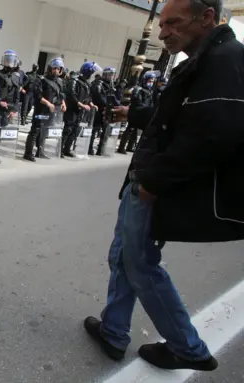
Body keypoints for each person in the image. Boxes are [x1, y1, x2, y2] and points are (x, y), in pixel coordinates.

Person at [84, 0, 244, 371]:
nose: (162, 32)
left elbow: (213, 134)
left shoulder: (225, 60)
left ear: (206, 18)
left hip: (152, 183)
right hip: (144, 178)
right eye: (161, 24)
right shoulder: (203, 59)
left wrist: (154, 182)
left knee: (141, 265)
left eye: (173, 22)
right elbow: (179, 120)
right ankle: (113, 330)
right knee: (123, 257)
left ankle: (188, 349)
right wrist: (136, 114)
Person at [23, 56, 67, 162]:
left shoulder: (60, 82)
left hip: (52, 112)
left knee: (45, 131)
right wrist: (48, 103)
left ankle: (40, 151)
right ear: (50, 68)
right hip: (41, 110)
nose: (56, 70)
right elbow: (38, 95)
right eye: (54, 68)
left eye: (58, 68)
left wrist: (63, 104)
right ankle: (28, 153)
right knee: (36, 130)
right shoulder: (42, 80)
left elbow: (61, 95)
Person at [61, 61, 99, 158]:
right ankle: (60, 149)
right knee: (68, 129)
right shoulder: (74, 81)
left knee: (75, 130)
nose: (91, 75)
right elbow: (72, 95)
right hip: (72, 109)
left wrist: (91, 104)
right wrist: (81, 105)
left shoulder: (87, 83)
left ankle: (67, 149)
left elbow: (88, 96)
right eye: (90, 73)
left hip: (80, 111)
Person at [117, 71, 157, 154]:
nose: (151, 83)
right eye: (149, 81)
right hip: (135, 112)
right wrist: (144, 108)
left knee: (136, 131)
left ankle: (130, 147)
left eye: (152, 82)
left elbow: (151, 103)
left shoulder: (150, 91)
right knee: (130, 129)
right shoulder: (138, 89)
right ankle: (121, 147)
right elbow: (137, 101)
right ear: (145, 80)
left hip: (144, 113)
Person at [89, 67, 119, 156]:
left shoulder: (111, 85)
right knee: (95, 129)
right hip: (98, 110)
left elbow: (113, 97)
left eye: (113, 75)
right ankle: (90, 148)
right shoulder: (98, 84)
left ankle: (101, 149)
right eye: (110, 75)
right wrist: (107, 105)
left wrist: (118, 105)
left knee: (106, 130)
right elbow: (98, 97)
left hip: (107, 110)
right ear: (105, 75)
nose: (111, 77)